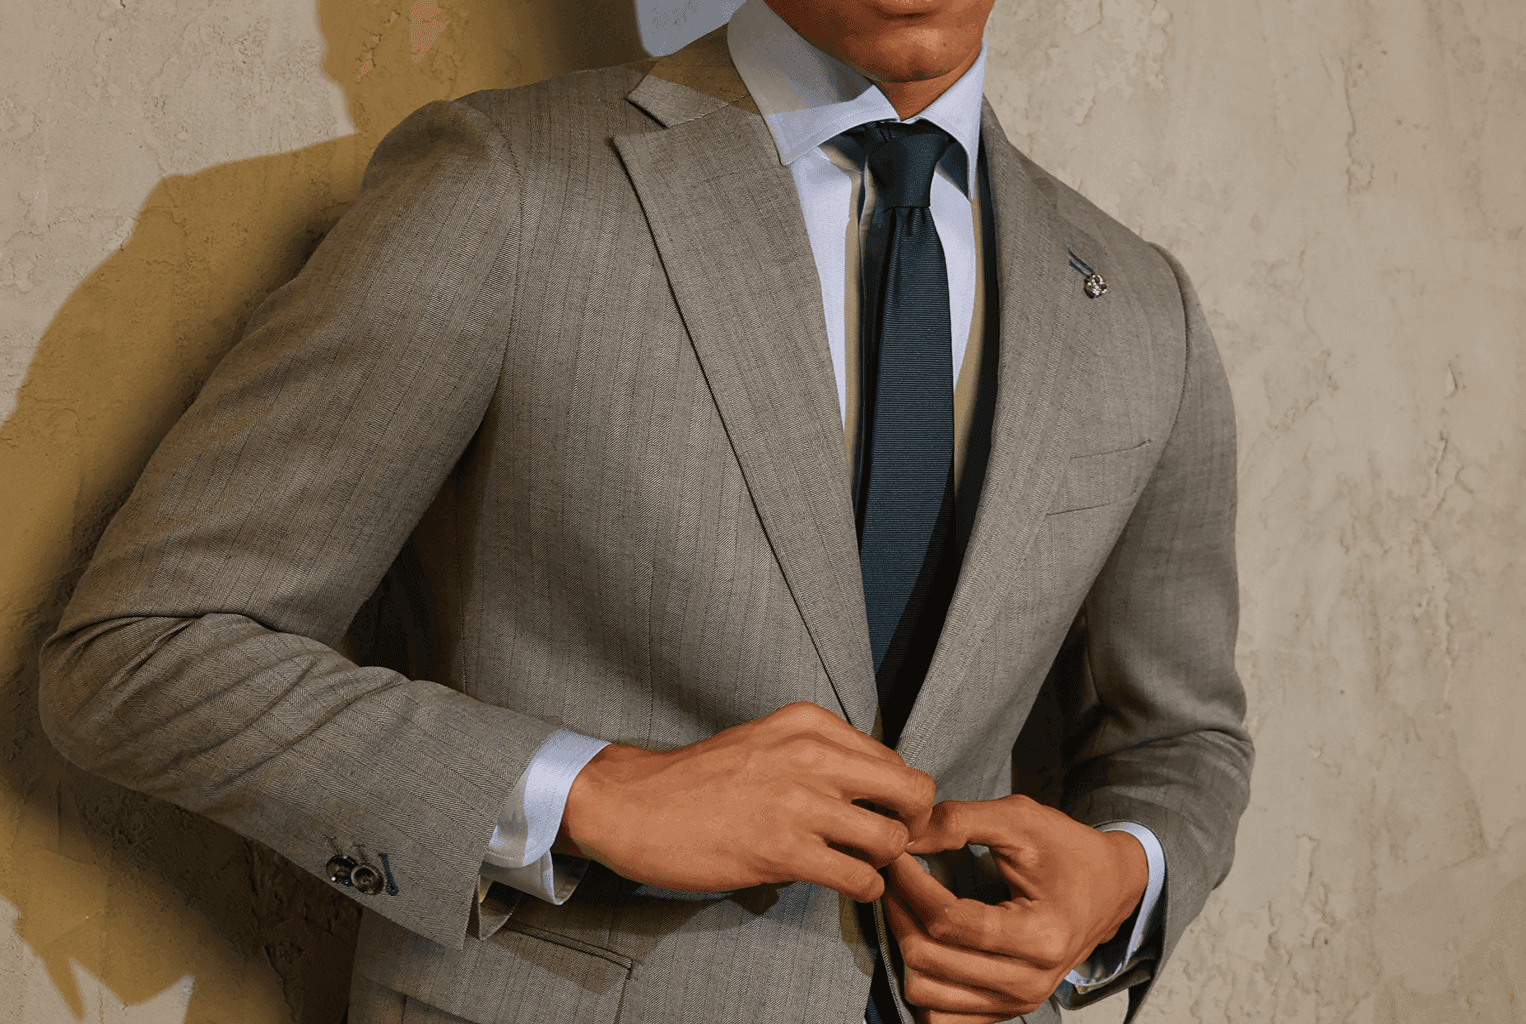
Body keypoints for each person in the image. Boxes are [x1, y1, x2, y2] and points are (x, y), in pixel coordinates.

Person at [38, 0, 1253, 1021]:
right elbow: (142, 650)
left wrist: (1121, 877)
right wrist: (588, 791)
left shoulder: (1143, 310)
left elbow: (1179, 741)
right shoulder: (505, 184)